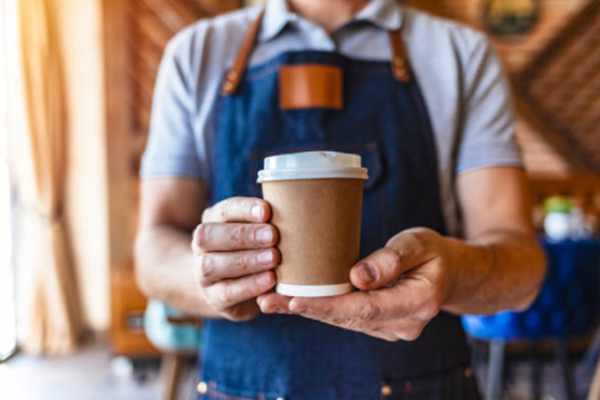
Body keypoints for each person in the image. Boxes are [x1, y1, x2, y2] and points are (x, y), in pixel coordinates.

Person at [135, 0, 546, 398]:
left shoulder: (461, 55)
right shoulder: (196, 55)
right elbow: (153, 247)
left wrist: (453, 272)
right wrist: (208, 277)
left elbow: (522, 265)